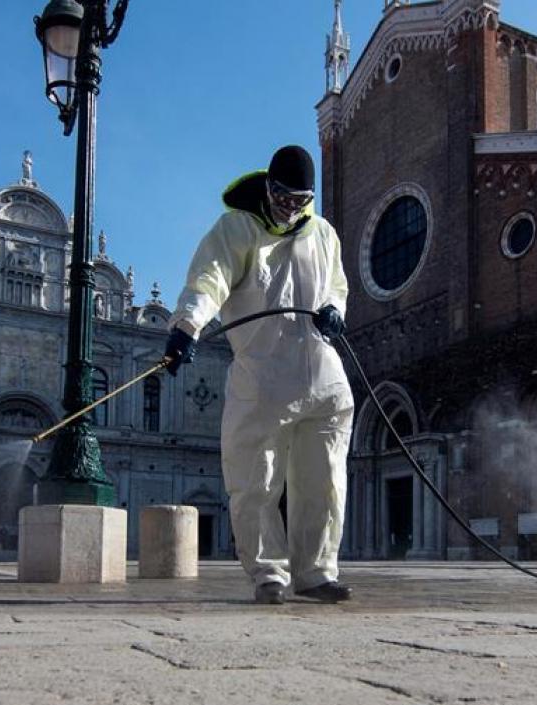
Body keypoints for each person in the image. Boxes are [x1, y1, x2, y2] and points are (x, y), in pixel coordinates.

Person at [164, 145, 353, 605]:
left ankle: (316, 573)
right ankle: (269, 572)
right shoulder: (236, 229)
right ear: (269, 188)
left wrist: (334, 310)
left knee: (325, 480)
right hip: (263, 378)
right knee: (256, 479)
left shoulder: (323, 234)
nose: (291, 209)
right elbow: (209, 279)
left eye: (300, 201)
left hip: (323, 376)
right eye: (284, 198)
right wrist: (187, 326)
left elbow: (337, 286)